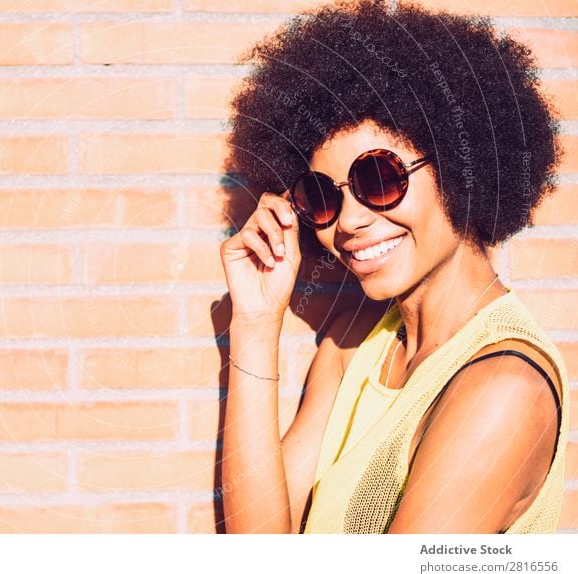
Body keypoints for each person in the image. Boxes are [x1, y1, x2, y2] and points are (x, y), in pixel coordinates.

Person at [218, 0, 570, 534]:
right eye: (321, 196)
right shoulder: (355, 341)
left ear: (459, 167)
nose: (350, 222)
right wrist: (255, 323)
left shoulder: (502, 388)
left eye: (379, 179)